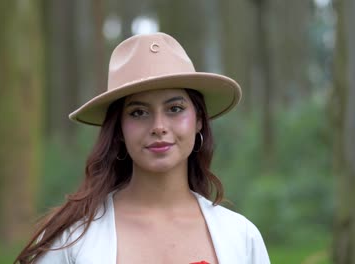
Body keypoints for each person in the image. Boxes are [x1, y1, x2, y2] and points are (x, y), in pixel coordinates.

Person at [15, 32, 270, 264]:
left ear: (199, 120)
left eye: (175, 109)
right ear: (119, 130)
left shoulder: (241, 238)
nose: (159, 126)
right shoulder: (72, 239)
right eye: (138, 112)